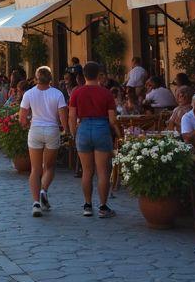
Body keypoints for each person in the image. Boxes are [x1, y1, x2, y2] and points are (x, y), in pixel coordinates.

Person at [68, 61, 120, 218]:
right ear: (99, 75)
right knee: (103, 171)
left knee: (87, 171)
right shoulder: (106, 93)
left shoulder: (76, 92)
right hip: (101, 128)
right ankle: (103, 207)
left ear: (84, 75)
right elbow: (112, 119)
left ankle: (87, 205)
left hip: (83, 128)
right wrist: (118, 133)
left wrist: (74, 133)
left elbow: (72, 116)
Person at [20, 66, 68, 217]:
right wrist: (66, 130)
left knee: (35, 169)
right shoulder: (57, 94)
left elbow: (22, 118)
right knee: (49, 166)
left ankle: (36, 203)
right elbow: (63, 117)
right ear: (50, 78)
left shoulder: (29, 93)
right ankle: (43, 190)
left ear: (36, 78)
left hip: (35, 130)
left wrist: (27, 124)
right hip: (52, 130)